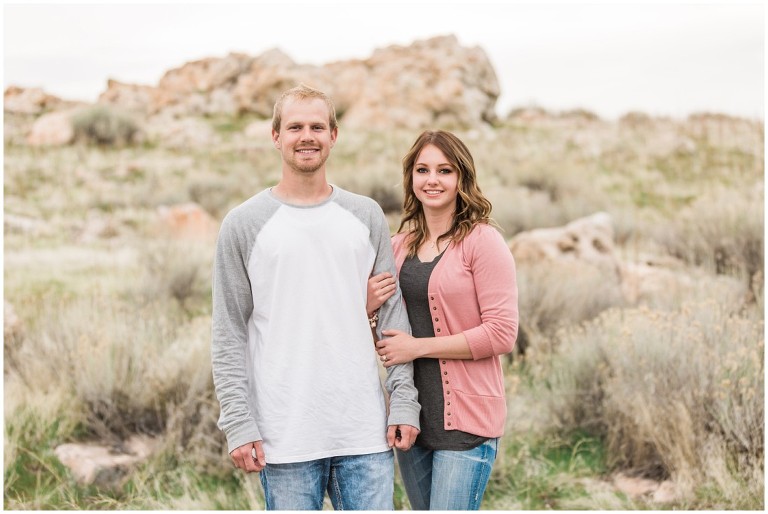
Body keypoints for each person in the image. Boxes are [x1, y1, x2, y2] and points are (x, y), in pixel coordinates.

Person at [211, 84, 420, 511]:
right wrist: (237, 421)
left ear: (334, 135)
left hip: (363, 432)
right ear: (275, 136)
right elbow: (228, 331)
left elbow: (392, 316)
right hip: (284, 435)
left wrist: (403, 401)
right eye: (295, 127)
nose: (307, 136)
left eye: (317, 127)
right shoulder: (244, 223)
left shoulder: (365, 216)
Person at [366, 129, 518, 510]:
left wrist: (418, 348)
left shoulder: (483, 242)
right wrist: (366, 308)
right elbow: (386, 335)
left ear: (461, 178)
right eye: (423, 169)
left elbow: (501, 334)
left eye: (444, 170)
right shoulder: (397, 245)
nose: (432, 180)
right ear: (411, 178)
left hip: (465, 425)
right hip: (412, 417)